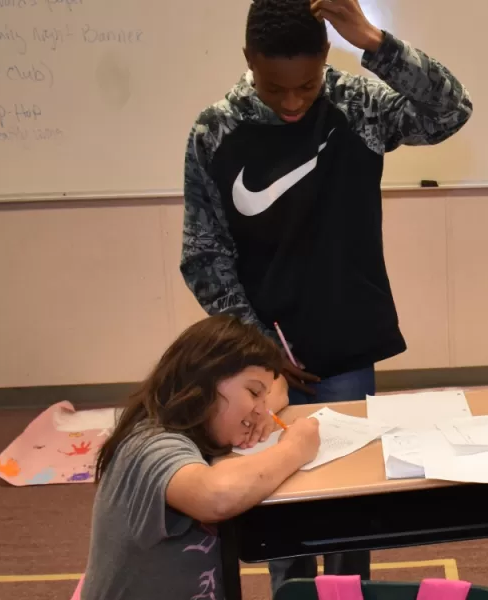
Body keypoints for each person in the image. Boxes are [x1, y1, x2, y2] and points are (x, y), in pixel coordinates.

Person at [179, 0, 471, 585]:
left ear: (326, 58)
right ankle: (292, 594)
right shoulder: (217, 129)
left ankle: (346, 595)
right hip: (260, 359)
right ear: (247, 62)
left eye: (306, 85)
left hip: (345, 342)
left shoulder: (354, 104)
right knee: (277, 502)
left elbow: (448, 111)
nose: (291, 103)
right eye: (273, 87)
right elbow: (204, 253)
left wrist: (371, 39)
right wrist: (259, 346)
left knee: (348, 505)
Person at [80, 315, 321, 600]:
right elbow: (215, 496)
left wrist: (257, 408)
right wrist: (295, 447)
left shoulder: (200, 427)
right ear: (206, 378)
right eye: (254, 392)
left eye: (263, 399)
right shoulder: (148, 444)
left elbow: (277, 385)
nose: (261, 409)